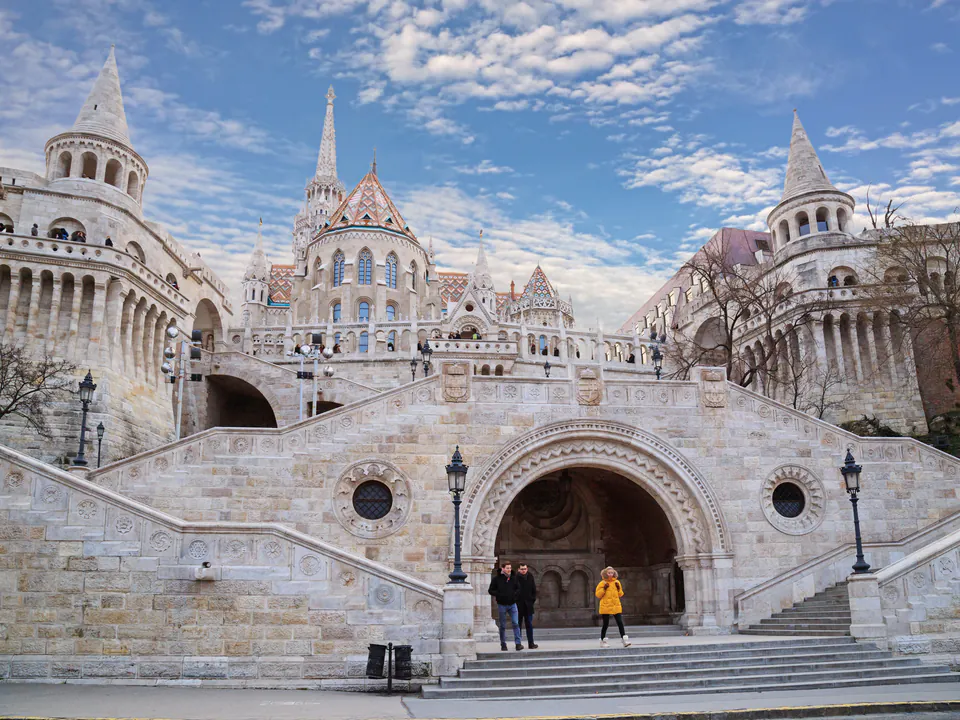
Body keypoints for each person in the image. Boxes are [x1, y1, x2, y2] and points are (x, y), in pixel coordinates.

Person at [488, 561, 523, 652]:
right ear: (503, 568)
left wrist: (514, 596)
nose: (509, 570)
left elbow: (518, 589)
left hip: (512, 604)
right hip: (502, 604)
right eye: (507, 568)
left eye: (510, 568)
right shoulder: (497, 579)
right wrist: (499, 594)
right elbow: (491, 590)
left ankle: (518, 643)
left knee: (515, 623)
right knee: (503, 625)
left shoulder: (514, 578)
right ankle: (503, 644)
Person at [595, 567, 631, 648]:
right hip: (606, 606)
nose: (611, 574)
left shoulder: (617, 582)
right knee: (605, 624)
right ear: (605, 574)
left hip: (615, 606)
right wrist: (604, 588)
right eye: (609, 573)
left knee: (620, 622)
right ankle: (603, 640)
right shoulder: (602, 583)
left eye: (612, 572)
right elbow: (598, 595)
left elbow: (620, 594)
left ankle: (624, 639)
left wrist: (618, 588)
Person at [516, 563, 538, 649]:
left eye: (525, 569)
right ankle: (518, 644)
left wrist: (532, 600)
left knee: (529, 624)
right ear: (518, 570)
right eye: (521, 569)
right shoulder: (516, 578)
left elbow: (534, 590)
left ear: (527, 569)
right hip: (518, 605)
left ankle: (531, 643)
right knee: (518, 625)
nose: (523, 570)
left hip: (528, 605)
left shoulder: (530, 577)